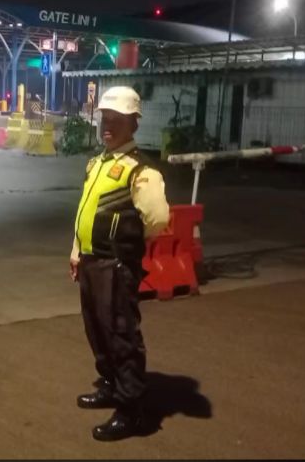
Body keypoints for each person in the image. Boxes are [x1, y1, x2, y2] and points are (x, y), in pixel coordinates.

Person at [69, 86, 170, 442]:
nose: (108, 126)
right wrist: (77, 249)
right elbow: (85, 210)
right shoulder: (98, 163)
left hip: (114, 266)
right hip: (90, 261)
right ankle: (111, 385)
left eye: (117, 120)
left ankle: (131, 411)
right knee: (97, 331)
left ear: (134, 124)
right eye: (105, 119)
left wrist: (126, 242)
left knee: (121, 336)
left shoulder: (140, 171)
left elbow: (158, 219)